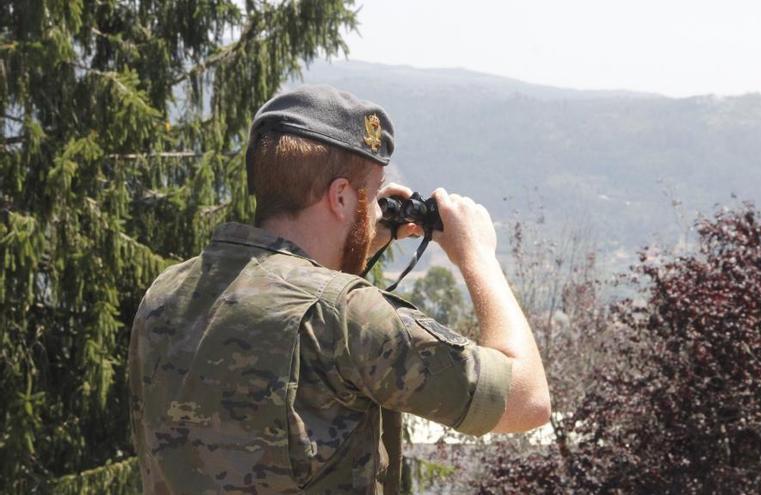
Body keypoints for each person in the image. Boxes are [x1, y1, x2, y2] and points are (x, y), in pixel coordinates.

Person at [128, 85, 550, 494]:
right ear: (342, 198)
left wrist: (356, 245)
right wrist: (477, 255)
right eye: (370, 197)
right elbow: (527, 399)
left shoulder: (165, 294)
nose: (374, 210)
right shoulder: (343, 315)